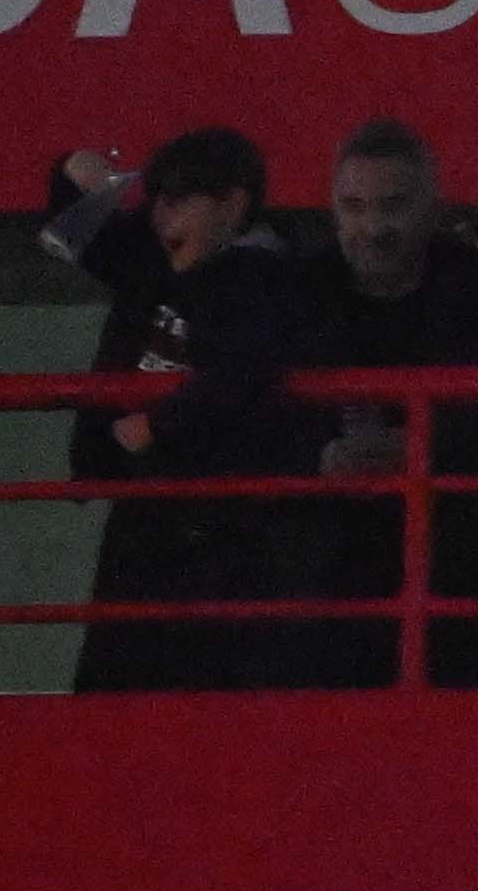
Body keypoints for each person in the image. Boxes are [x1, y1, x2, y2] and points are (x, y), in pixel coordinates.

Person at [35, 129, 346, 689]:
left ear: (233, 203)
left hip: (218, 529)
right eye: (155, 197)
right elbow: (69, 230)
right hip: (149, 509)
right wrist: (75, 168)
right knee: (116, 691)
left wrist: (154, 428)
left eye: (178, 198)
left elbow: (246, 370)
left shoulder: (267, 284)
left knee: (186, 689)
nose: (160, 213)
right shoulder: (161, 256)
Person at [301, 117, 478, 689]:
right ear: (333, 207)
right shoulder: (298, 292)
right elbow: (248, 407)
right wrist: (320, 453)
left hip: (454, 582)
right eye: (354, 207)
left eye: (392, 206)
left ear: (431, 208)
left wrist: (419, 447)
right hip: (323, 586)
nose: (373, 226)